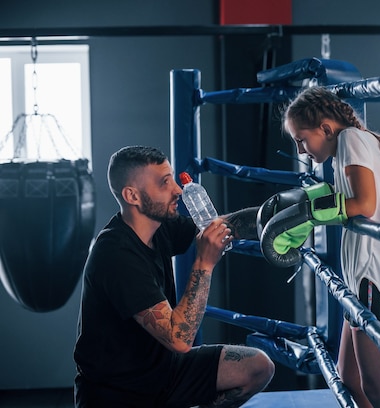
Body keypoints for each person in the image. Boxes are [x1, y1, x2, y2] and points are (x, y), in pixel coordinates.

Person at [73, 145, 274, 407]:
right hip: (117, 394)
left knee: (258, 366)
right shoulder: (115, 255)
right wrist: (204, 262)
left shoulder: (161, 226)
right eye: (164, 182)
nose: (177, 190)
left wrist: (274, 214)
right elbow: (179, 339)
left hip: (165, 373)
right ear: (132, 195)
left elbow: (217, 227)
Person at [277, 86, 380, 408]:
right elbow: (352, 204)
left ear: (325, 127)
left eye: (302, 139)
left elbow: (364, 204)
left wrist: (309, 214)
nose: (302, 150)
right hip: (363, 276)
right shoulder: (352, 147)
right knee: (348, 378)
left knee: (376, 387)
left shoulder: (351, 139)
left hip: (373, 277)